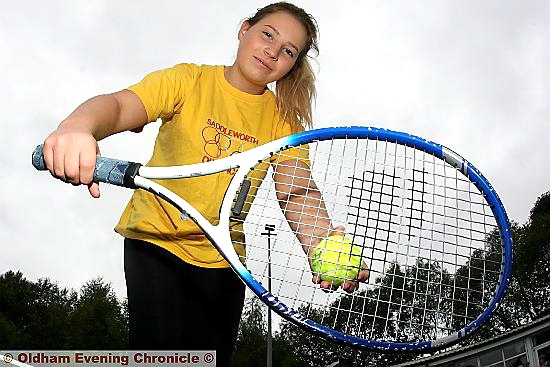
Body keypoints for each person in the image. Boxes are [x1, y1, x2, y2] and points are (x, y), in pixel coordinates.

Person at [41, 2, 368, 365]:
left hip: (224, 259)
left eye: (288, 50)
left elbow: (297, 191)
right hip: (156, 241)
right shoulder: (188, 80)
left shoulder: (282, 122)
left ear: (292, 64)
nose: (273, 51)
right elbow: (119, 106)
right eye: (268, 34)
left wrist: (322, 242)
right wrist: (76, 128)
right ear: (244, 29)